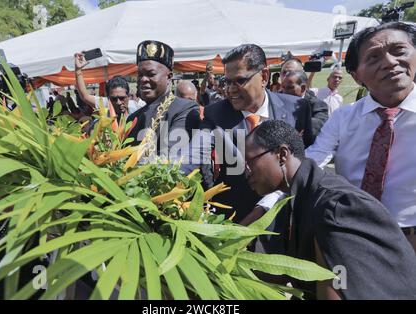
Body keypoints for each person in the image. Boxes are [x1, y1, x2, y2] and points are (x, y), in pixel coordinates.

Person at [244, 120, 416, 300]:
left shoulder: (335, 207)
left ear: (282, 155)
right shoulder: (298, 198)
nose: (247, 172)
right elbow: (289, 271)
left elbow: (336, 287)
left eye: (250, 162)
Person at [306, 21, 416, 252]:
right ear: (357, 76)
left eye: (399, 51)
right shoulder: (343, 118)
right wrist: (265, 204)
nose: (390, 62)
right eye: (374, 58)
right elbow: (311, 162)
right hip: (356, 233)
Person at [201, 44, 311, 223]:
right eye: (227, 82)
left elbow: (305, 160)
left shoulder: (297, 109)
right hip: (235, 222)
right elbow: (195, 153)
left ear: (264, 76)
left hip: (286, 219)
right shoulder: (213, 115)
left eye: (239, 81)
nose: (230, 89)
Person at [125, 40, 200, 174]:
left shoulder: (185, 109)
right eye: (140, 74)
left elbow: (170, 158)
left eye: (151, 74)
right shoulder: (133, 118)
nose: (143, 79)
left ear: (169, 77)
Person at [281, 70, 329, 147]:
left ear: (303, 88)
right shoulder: (278, 100)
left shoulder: (318, 106)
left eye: (289, 88)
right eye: (283, 87)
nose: (284, 91)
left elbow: (314, 127)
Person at [74, 57, 130, 121]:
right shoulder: (106, 104)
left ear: (128, 97)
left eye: (122, 98)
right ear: (108, 98)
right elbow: (85, 96)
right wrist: (78, 70)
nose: (118, 102)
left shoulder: (136, 108)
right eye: (114, 99)